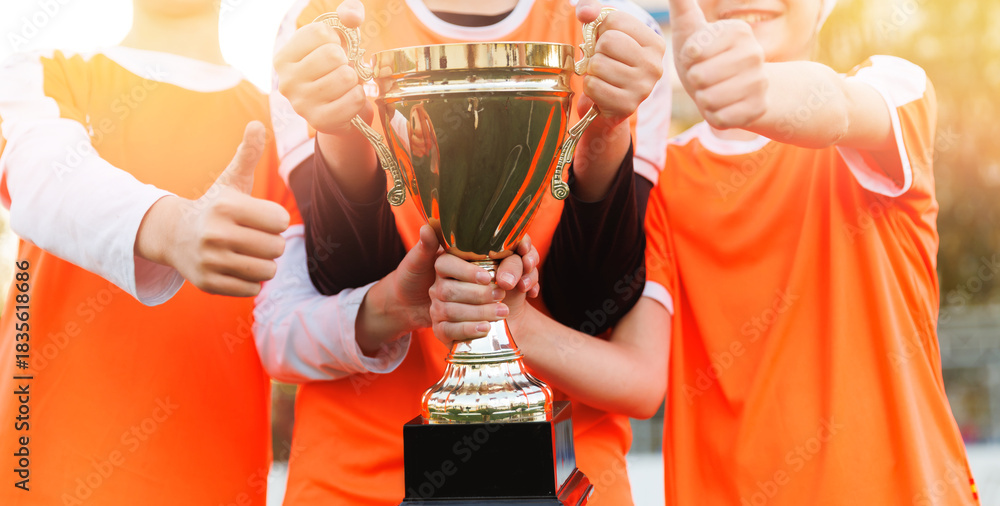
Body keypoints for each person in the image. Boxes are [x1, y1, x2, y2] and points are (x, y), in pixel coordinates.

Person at [257, 0, 674, 503]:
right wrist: (342, 130)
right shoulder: (321, 29)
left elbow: (597, 303)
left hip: (565, 477)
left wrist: (605, 132)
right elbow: (337, 274)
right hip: (357, 482)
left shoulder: (619, 32)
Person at [641, 0, 977, 503]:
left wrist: (760, 96)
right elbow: (637, 375)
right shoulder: (658, 178)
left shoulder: (892, 89)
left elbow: (840, 104)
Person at [0, 1, 299, 503]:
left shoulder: (282, 129)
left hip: (213, 480)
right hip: (39, 475)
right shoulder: (45, 71)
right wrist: (172, 229)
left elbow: (297, 315)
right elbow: (40, 179)